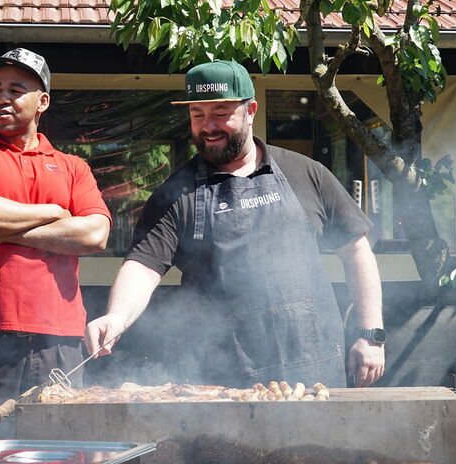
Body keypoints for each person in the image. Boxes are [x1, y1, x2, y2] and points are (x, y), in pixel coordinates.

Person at [85, 60, 385, 388]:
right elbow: (142, 268)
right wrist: (117, 317)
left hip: (313, 367)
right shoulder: (176, 193)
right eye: (198, 115)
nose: (208, 126)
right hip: (223, 376)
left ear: (250, 110)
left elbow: (356, 251)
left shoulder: (305, 173)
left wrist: (370, 335)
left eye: (220, 112)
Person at [0, 48, 112, 420]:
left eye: (16, 90)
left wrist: (3, 232)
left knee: (59, 452)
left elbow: (95, 235)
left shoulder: (73, 167)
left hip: (60, 341)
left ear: (42, 101)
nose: (2, 97)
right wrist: (52, 213)